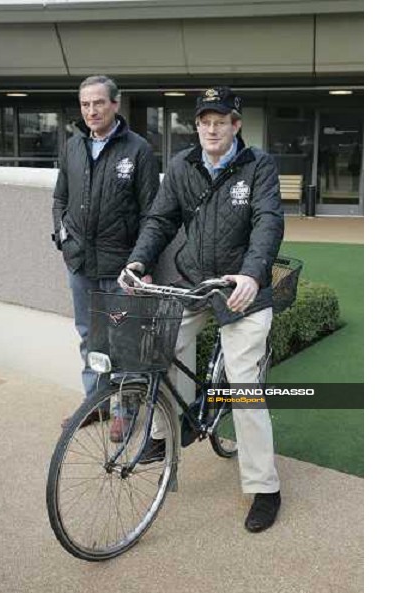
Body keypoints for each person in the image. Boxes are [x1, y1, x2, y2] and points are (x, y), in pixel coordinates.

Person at [119, 87, 285, 533]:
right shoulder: (182, 166)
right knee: (159, 347)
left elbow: (267, 221)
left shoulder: (258, 166)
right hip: (194, 282)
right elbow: (159, 219)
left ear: (236, 125)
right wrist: (137, 260)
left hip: (241, 291)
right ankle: (166, 434)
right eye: (205, 121)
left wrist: (251, 274)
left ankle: (264, 486)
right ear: (197, 126)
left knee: (245, 384)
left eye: (221, 120)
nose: (212, 128)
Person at [52, 75, 159, 439]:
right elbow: (60, 200)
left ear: (115, 104)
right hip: (80, 263)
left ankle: (124, 411)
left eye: (99, 103)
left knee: (122, 340)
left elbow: (151, 214)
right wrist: (63, 241)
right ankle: (95, 402)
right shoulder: (73, 147)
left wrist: (142, 265)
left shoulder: (139, 150)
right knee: (89, 337)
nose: (92, 110)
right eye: (85, 104)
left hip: (121, 268)